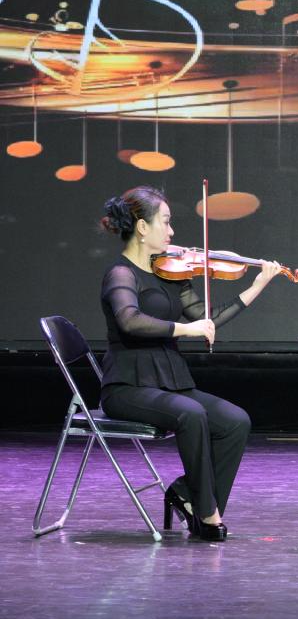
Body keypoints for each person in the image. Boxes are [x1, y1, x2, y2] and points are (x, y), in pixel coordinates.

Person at [98, 186, 283, 541]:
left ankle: (187, 494)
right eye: (165, 222)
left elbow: (206, 317)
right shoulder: (120, 274)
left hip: (169, 381)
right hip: (127, 386)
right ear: (142, 227)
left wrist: (258, 285)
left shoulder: (171, 273)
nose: (172, 232)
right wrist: (185, 329)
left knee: (235, 421)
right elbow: (130, 321)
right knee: (191, 414)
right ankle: (207, 514)